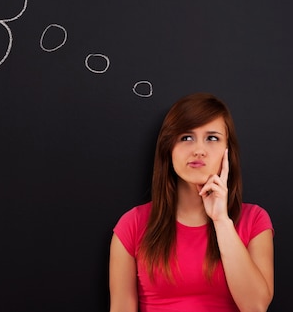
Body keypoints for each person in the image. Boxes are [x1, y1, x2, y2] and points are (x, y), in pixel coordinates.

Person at [109, 92, 274, 312]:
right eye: (186, 137)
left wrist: (221, 220)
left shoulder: (254, 220)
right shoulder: (132, 225)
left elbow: (256, 307)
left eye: (212, 138)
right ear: (169, 149)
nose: (199, 150)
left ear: (228, 151)